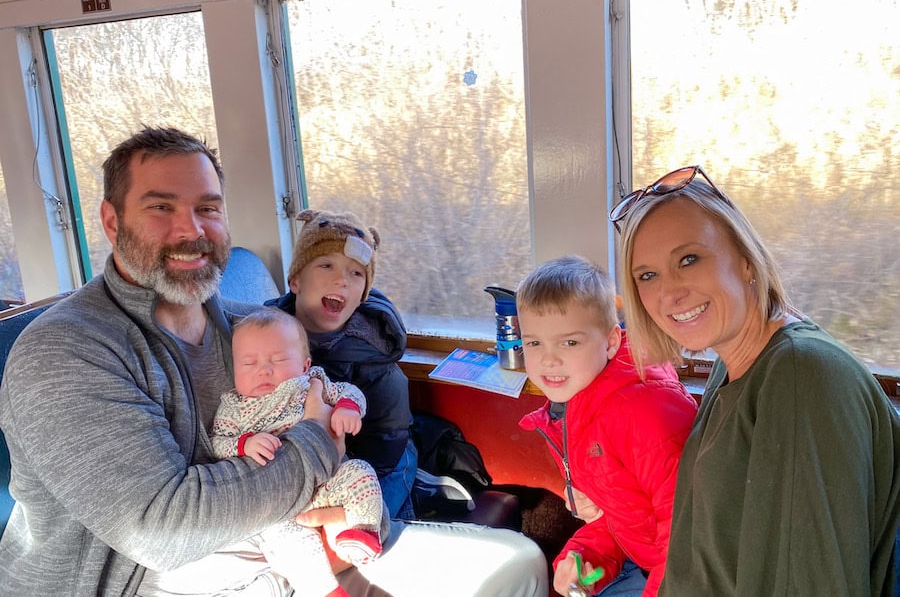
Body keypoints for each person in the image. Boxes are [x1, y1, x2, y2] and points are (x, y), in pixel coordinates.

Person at [0, 126, 549, 597]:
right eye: (160, 207)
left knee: (516, 565)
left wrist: (342, 512)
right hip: (140, 582)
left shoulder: (249, 327)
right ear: (113, 221)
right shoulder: (68, 353)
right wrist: (312, 443)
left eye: (208, 208)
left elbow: (340, 443)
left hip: (281, 545)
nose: (191, 229)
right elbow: (161, 531)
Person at [610, 164, 900, 596]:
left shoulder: (802, 375)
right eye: (647, 275)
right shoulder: (731, 365)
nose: (669, 293)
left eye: (688, 259)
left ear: (746, 262)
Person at [516, 256, 697, 597]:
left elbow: (686, 532)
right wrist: (585, 557)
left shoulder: (643, 412)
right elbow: (619, 515)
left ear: (611, 341)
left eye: (569, 342)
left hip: (682, 573)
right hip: (641, 559)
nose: (548, 358)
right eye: (534, 342)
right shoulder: (574, 410)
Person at [210, 308, 388, 597]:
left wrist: (347, 407)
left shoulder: (310, 384)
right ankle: (325, 590)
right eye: (248, 363)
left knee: (361, 471)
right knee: (286, 539)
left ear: (305, 365)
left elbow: (350, 391)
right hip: (275, 502)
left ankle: (364, 533)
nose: (263, 370)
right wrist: (244, 444)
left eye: (278, 360)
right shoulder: (233, 408)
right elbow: (217, 442)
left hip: (328, 482)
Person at [267, 208, 418, 520]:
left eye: (356, 273)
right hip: (302, 457)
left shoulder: (373, 355)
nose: (341, 280)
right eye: (326, 265)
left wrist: (346, 492)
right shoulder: (265, 333)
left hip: (382, 459)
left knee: (365, 524)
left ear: (363, 293)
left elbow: (387, 439)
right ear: (295, 281)